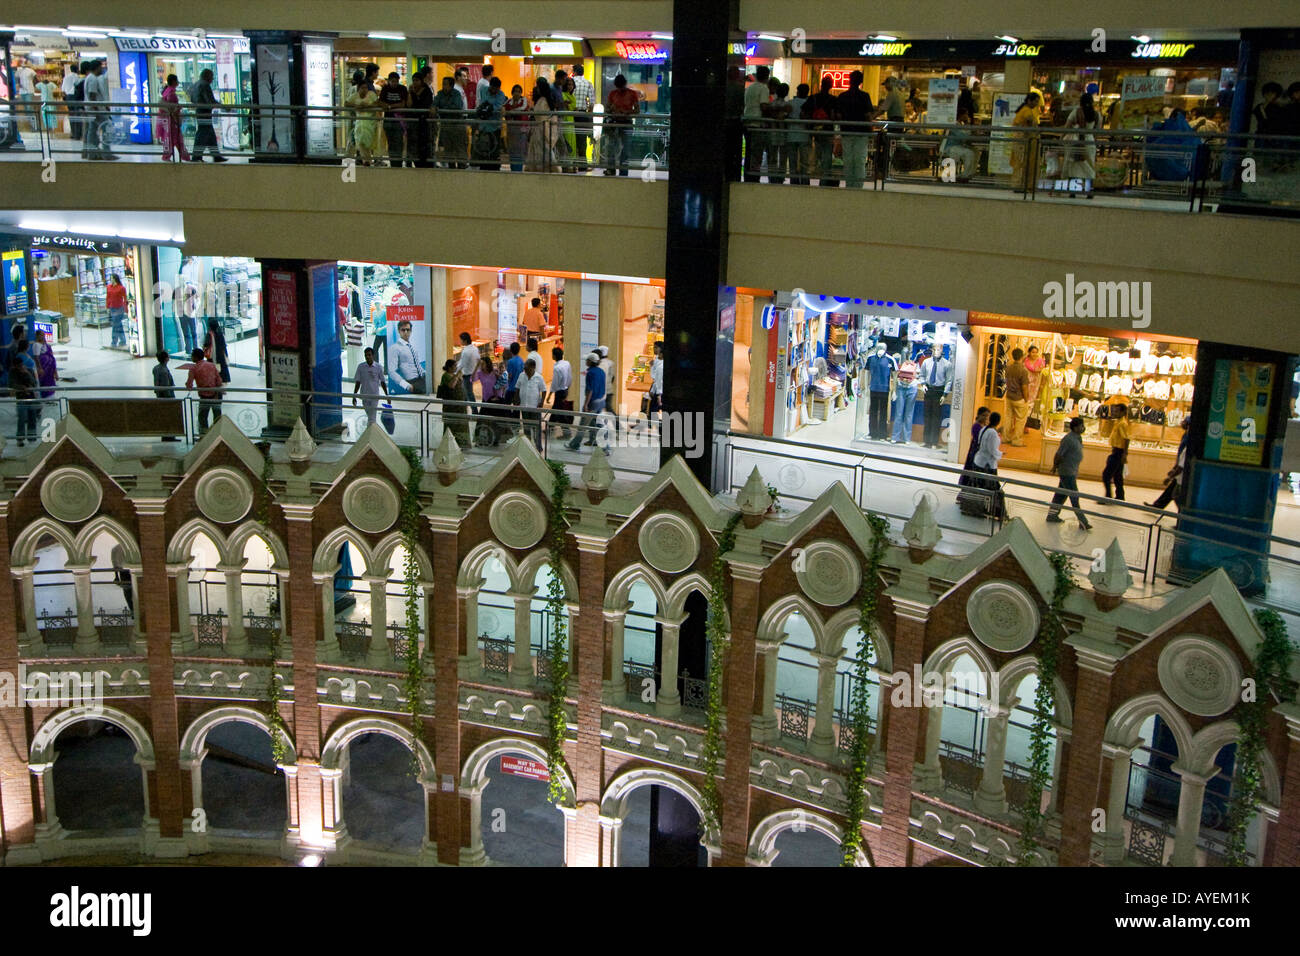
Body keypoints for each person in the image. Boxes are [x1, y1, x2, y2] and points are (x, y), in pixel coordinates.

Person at [1046, 417, 1093, 530]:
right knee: (1074, 496)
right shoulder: (1068, 439)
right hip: (1067, 472)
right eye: (1081, 426)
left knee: (1060, 494)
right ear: (1076, 427)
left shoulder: (1077, 438)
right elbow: (1059, 454)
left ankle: (1052, 515)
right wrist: (1055, 466)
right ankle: (1083, 522)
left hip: (1071, 470)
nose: (1083, 428)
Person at [836, 70, 875, 189]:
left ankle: (849, 184)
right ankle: (858, 186)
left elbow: (838, 115)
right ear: (861, 82)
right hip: (861, 132)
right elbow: (868, 115)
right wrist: (871, 127)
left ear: (849, 80)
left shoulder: (842, 96)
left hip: (847, 131)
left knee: (848, 160)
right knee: (860, 160)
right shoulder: (864, 96)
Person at [567, 352, 609, 451]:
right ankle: (604, 445)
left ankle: (575, 444)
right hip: (601, 400)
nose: (585, 361)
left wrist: (586, 404)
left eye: (587, 360)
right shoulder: (601, 371)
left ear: (590, 362)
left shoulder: (590, 373)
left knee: (583, 424)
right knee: (596, 423)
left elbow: (590, 390)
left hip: (593, 402)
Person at [956, 406, 993, 514]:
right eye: (984, 415)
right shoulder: (976, 426)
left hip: (979, 454)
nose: (986, 418)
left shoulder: (984, 426)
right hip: (974, 454)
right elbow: (979, 439)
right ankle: (964, 497)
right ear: (979, 415)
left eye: (987, 416)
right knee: (970, 474)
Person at [802, 75, 837, 186]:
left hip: (813, 132)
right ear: (831, 86)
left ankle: (806, 179)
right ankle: (824, 181)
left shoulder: (813, 98)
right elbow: (833, 116)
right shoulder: (833, 100)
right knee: (826, 157)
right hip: (827, 132)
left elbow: (803, 113)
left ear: (821, 85)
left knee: (811, 156)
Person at [603, 74, 639, 176]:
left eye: (621, 87)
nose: (620, 89)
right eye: (618, 87)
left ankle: (623, 171)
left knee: (626, 149)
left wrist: (627, 112)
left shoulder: (632, 94)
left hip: (626, 123)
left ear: (624, 84)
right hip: (615, 123)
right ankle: (611, 169)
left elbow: (637, 110)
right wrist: (612, 109)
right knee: (611, 147)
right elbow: (607, 109)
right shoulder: (613, 93)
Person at [1148, 420, 1190, 509]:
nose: (1182, 423)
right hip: (1180, 471)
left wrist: (1171, 475)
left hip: (1182, 474)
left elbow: (1182, 461)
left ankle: (1182, 513)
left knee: (1176, 494)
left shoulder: (1189, 440)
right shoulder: (1186, 436)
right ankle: (1159, 505)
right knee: (1173, 491)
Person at [971, 410, 1005, 520]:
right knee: (994, 489)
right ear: (998, 422)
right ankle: (997, 512)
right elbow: (992, 450)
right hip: (987, 465)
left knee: (979, 487)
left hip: (979, 461)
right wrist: (1000, 454)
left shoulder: (984, 430)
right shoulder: (993, 433)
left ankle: (977, 509)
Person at [189, 68, 226, 163]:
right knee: (203, 134)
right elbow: (210, 101)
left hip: (199, 111)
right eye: (212, 76)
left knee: (210, 134)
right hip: (205, 112)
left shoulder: (196, 84)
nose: (212, 79)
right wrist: (223, 107)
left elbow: (192, 99)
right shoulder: (205, 85)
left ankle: (216, 155)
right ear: (207, 76)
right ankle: (196, 156)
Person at [742, 65, 772, 182]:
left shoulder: (749, 88)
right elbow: (764, 106)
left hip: (747, 122)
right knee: (756, 153)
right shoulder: (763, 88)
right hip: (757, 124)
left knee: (749, 152)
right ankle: (754, 177)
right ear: (767, 76)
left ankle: (747, 176)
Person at [83, 60, 118, 161]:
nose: (102, 69)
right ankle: (106, 153)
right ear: (97, 67)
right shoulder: (93, 79)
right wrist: (97, 109)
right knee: (106, 129)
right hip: (96, 110)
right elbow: (92, 95)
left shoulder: (89, 78)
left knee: (92, 131)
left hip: (93, 109)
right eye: (100, 67)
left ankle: (92, 153)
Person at [346, 70, 382, 166]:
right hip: (360, 123)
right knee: (361, 140)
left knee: (369, 142)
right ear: (359, 88)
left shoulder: (371, 95)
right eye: (363, 88)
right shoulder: (355, 95)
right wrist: (356, 106)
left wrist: (365, 106)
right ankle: (367, 160)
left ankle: (367, 160)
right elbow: (346, 103)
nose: (365, 89)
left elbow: (376, 103)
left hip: (370, 123)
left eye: (366, 87)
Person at [185, 347, 224, 433]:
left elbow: (189, 385)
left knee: (202, 417)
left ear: (195, 357)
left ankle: (204, 436)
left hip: (204, 396)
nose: (191, 358)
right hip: (215, 395)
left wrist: (187, 385)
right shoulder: (211, 365)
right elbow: (219, 380)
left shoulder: (193, 369)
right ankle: (218, 434)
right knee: (217, 416)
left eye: (192, 356)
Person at [473, 75, 508, 170]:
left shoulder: (501, 95)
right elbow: (483, 103)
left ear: (499, 88)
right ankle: (483, 166)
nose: (493, 90)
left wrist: (488, 107)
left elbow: (496, 107)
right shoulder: (483, 89)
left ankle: (494, 168)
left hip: (494, 126)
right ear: (490, 86)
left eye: (496, 89)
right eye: (492, 88)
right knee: (483, 147)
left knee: (494, 149)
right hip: (484, 126)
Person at [920, 346, 952, 448]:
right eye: (934, 350)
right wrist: (923, 384)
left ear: (942, 350)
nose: (936, 352)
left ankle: (934, 442)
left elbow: (949, 380)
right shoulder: (926, 362)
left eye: (938, 350)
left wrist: (945, 394)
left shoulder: (947, 364)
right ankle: (926, 441)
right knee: (927, 416)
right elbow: (922, 375)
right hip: (928, 390)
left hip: (939, 391)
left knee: (936, 417)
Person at [433, 76, 468, 169]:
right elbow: (435, 103)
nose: (443, 86)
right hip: (446, 125)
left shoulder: (456, 94)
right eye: (443, 84)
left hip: (457, 125)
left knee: (459, 147)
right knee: (448, 148)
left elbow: (456, 107)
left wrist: (441, 109)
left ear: (451, 86)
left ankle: (462, 166)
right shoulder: (440, 94)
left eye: (445, 84)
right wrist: (434, 107)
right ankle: (451, 167)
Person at [1010, 91, 1041, 188]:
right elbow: (1030, 123)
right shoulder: (1027, 111)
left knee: (1021, 163)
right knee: (1023, 163)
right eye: (1035, 101)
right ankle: (1021, 185)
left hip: (1021, 140)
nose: (1036, 104)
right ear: (1029, 101)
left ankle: (1020, 184)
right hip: (1023, 141)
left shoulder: (1025, 109)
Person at [526, 79, 558, 173]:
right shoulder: (545, 100)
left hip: (541, 129)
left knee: (542, 149)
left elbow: (541, 115)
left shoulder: (543, 101)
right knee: (542, 149)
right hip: (541, 129)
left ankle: (543, 168)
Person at [436, 358, 469, 446]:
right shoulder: (446, 376)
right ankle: (449, 442)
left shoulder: (455, 375)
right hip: (451, 405)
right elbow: (451, 386)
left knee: (461, 422)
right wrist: (457, 376)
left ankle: (461, 441)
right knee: (451, 422)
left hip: (460, 403)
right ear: (449, 367)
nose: (456, 367)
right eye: (454, 366)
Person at [378, 71, 409, 167]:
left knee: (399, 142)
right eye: (392, 81)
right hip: (388, 120)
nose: (394, 83)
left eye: (396, 81)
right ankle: (393, 162)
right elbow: (380, 102)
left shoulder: (402, 89)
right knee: (390, 142)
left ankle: (398, 162)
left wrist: (390, 106)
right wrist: (389, 106)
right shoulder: (385, 89)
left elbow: (403, 104)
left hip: (399, 121)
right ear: (389, 81)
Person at [865, 342, 895, 439]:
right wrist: (865, 386)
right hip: (873, 388)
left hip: (885, 389)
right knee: (873, 411)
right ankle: (872, 433)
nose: (881, 350)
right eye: (879, 348)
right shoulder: (870, 358)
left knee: (883, 412)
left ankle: (882, 434)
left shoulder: (890, 360)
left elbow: (895, 375)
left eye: (883, 348)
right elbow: (867, 373)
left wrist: (894, 390)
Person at [352, 346, 388, 427]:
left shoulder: (378, 367)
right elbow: (358, 382)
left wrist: (387, 395)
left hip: (374, 396)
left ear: (373, 355)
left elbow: (382, 382)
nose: (367, 357)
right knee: (370, 417)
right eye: (366, 355)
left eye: (369, 355)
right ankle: (372, 432)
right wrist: (354, 396)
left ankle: (371, 434)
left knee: (372, 418)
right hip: (364, 396)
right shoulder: (361, 367)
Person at [1101, 401, 1130, 501]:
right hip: (1116, 451)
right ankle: (1120, 496)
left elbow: (1126, 438)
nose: (1115, 413)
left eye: (1117, 411)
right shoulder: (1117, 422)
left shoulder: (1122, 424)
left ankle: (1108, 496)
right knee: (1117, 476)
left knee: (1106, 475)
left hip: (1118, 452)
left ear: (1123, 412)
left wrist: (1125, 454)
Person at [517, 357, 548, 450]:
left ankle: (538, 447)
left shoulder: (539, 377)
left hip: (535, 407)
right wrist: (516, 398)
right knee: (526, 427)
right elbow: (517, 387)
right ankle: (528, 447)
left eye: (527, 368)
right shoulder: (521, 375)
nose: (525, 370)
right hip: (524, 406)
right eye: (524, 368)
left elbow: (544, 390)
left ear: (533, 367)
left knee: (536, 428)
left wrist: (542, 402)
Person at [159, 74, 191, 162]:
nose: (178, 82)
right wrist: (177, 115)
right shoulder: (171, 93)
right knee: (175, 138)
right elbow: (172, 108)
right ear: (173, 81)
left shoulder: (166, 91)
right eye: (176, 80)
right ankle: (182, 156)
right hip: (172, 120)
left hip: (168, 119)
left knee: (173, 138)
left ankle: (181, 156)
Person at [11, 356, 39, 448]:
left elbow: (34, 383)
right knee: (22, 418)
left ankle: (32, 437)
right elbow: (11, 384)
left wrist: (27, 373)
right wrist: (22, 388)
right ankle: (20, 438)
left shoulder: (29, 370)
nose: (20, 367)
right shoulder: (13, 372)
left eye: (21, 365)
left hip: (31, 397)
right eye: (18, 366)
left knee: (32, 417)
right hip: (21, 398)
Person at [890, 353, 919, 444]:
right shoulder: (899, 362)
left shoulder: (916, 364)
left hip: (912, 387)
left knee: (909, 414)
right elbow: (895, 377)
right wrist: (894, 390)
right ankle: (895, 436)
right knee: (899, 413)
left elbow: (918, 376)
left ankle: (907, 438)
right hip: (901, 387)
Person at [940, 108, 976, 182]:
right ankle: (965, 175)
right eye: (966, 114)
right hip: (950, 148)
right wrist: (968, 126)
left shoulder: (960, 124)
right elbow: (962, 136)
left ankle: (969, 173)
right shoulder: (953, 125)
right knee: (969, 153)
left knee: (975, 152)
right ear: (961, 115)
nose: (967, 116)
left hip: (958, 147)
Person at [1004, 347, 1030, 446]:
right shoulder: (1023, 370)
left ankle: (1005, 437)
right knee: (1020, 420)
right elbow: (1024, 386)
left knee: (1008, 417)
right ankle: (1016, 440)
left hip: (1009, 396)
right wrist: (1026, 399)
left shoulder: (1008, 368)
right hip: (1019, 398)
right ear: (1022, 356)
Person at [408, 68, 434, 167]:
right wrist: (410, 93)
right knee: (415, 144)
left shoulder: (427, 91)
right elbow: (409, 105)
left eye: (417, 80)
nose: (415, 83)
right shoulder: (412, 92)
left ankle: (426, 163)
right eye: (413, 80)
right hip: (415, 123)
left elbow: (425, 104)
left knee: (425, 143)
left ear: (421, 81)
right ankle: (417, 162)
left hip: (425, 123)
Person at [392, 317, 425, 394]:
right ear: (399, 331)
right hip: (411, 382)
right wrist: (407, 386)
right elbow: (391, 371)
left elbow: (417, 364)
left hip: (421, 378)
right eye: (403, 330)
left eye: (408, 330)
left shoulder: (411, 347)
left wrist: (424, 374)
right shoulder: (395, 348)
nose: (406, 332)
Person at [787, 83, 812, 185]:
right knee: (804, 161)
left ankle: (794, 180)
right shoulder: (809, 103)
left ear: (797, 91)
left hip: (791, 135)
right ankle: (805, 181)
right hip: (804, 135)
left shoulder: (791, 103)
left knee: (793, 161)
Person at [571, 64, 594, 170]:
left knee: (571, 139)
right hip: (583, 115)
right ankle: (582, 165)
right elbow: (592, 104)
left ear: (574, 72)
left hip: (570, 115)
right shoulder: (588, 83)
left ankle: (570, 163)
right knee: (582, 140)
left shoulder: (570, 82)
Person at [153, 349, 180, 441]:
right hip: (167, 397)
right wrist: (170, 399)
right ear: (166, 359)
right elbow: (166, 387)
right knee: (169, 416)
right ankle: (169, 436)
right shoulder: (164, 371)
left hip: (159, 396)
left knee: (163, 416)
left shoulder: (156, 368)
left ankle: (165, 435)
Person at [504, 84, 530, 172]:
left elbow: (523, 109)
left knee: (520, 150)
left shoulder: (524, 100)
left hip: (522, 130)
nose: (517, 93)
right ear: (512, 93)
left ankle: (518, 169)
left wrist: (511, 112)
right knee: (512, 150)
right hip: (511, 131)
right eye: (515, 91)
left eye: (519, 91)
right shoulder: (508, 102)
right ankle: (513, 168)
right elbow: (503, 109)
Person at [549, 346, 573, 438]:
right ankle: (550, 426)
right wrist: (568, 387)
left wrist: (549, 395)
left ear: (554, 356)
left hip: (559, 392)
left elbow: (555, 383)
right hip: (565, 389)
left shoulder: (557, 368)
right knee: (555, 409)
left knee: (560, 413)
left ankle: (567, 433)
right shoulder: (567, 363)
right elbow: (570, 377)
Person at [30, 329, 58, 400]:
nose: (43, 336)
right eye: (41, 335)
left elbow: (51, 356)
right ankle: (45, 398)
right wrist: (40, 368)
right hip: (43, 369)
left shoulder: (47, 345)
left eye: (44, 335)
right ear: (37, 336)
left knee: (50, 383)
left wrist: (55, 372)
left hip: (50, 369)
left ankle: (51, 397)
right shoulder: (36, 345)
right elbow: (36, 357)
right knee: (44, 383)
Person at [558, 77, 578, 171]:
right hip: (564, 121)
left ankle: (571, 164)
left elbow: (572, 107)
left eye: (571, 84)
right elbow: (568, 107)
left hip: (571, 121)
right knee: (565, 143)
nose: (570, 86)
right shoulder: (562, 94)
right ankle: (565, 165)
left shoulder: (572, 96)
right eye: (568, 84)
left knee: (572, 143)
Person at [204, 319, 231, 383]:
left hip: (213, 355)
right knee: (222, 367)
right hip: (221, 354)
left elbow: (206, 344)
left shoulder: (209, 334)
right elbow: (224, 345)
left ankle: (214, 380)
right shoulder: (220, 333)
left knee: (213, 367)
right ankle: (223, 380)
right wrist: (226, 355)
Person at [455, 332, 479, 404]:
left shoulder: (466, 351)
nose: (460, 341)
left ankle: (474, 412)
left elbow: (462, 364)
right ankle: (464, 409)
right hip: (472, 373)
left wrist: (455, 372)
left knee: (469, 394)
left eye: (461, 340)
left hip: (467, 375)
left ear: (465, 341)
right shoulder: (475, 348)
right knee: (465, 393)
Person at [106, 274, 128, 349]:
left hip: (119, 308)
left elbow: (125, 299)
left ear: (115, 279)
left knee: (115, 325)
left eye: (112, 278)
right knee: (118, 325)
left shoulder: (121, 288)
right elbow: (108, 298)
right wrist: (107, 307)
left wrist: (126, 309)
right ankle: (123, 341)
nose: (111, 280)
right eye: (110, 278)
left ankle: (114, 342)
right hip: (112, 308)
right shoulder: (109, 287)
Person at [648, 340, 664, 423]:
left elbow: (657, 379)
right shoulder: (656, 359)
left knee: (654, 408)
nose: (654, 349)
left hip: (659, 390)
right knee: (653, 408)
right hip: (656, 388)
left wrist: (658, 394)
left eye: (656, 347)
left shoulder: (661, 365)